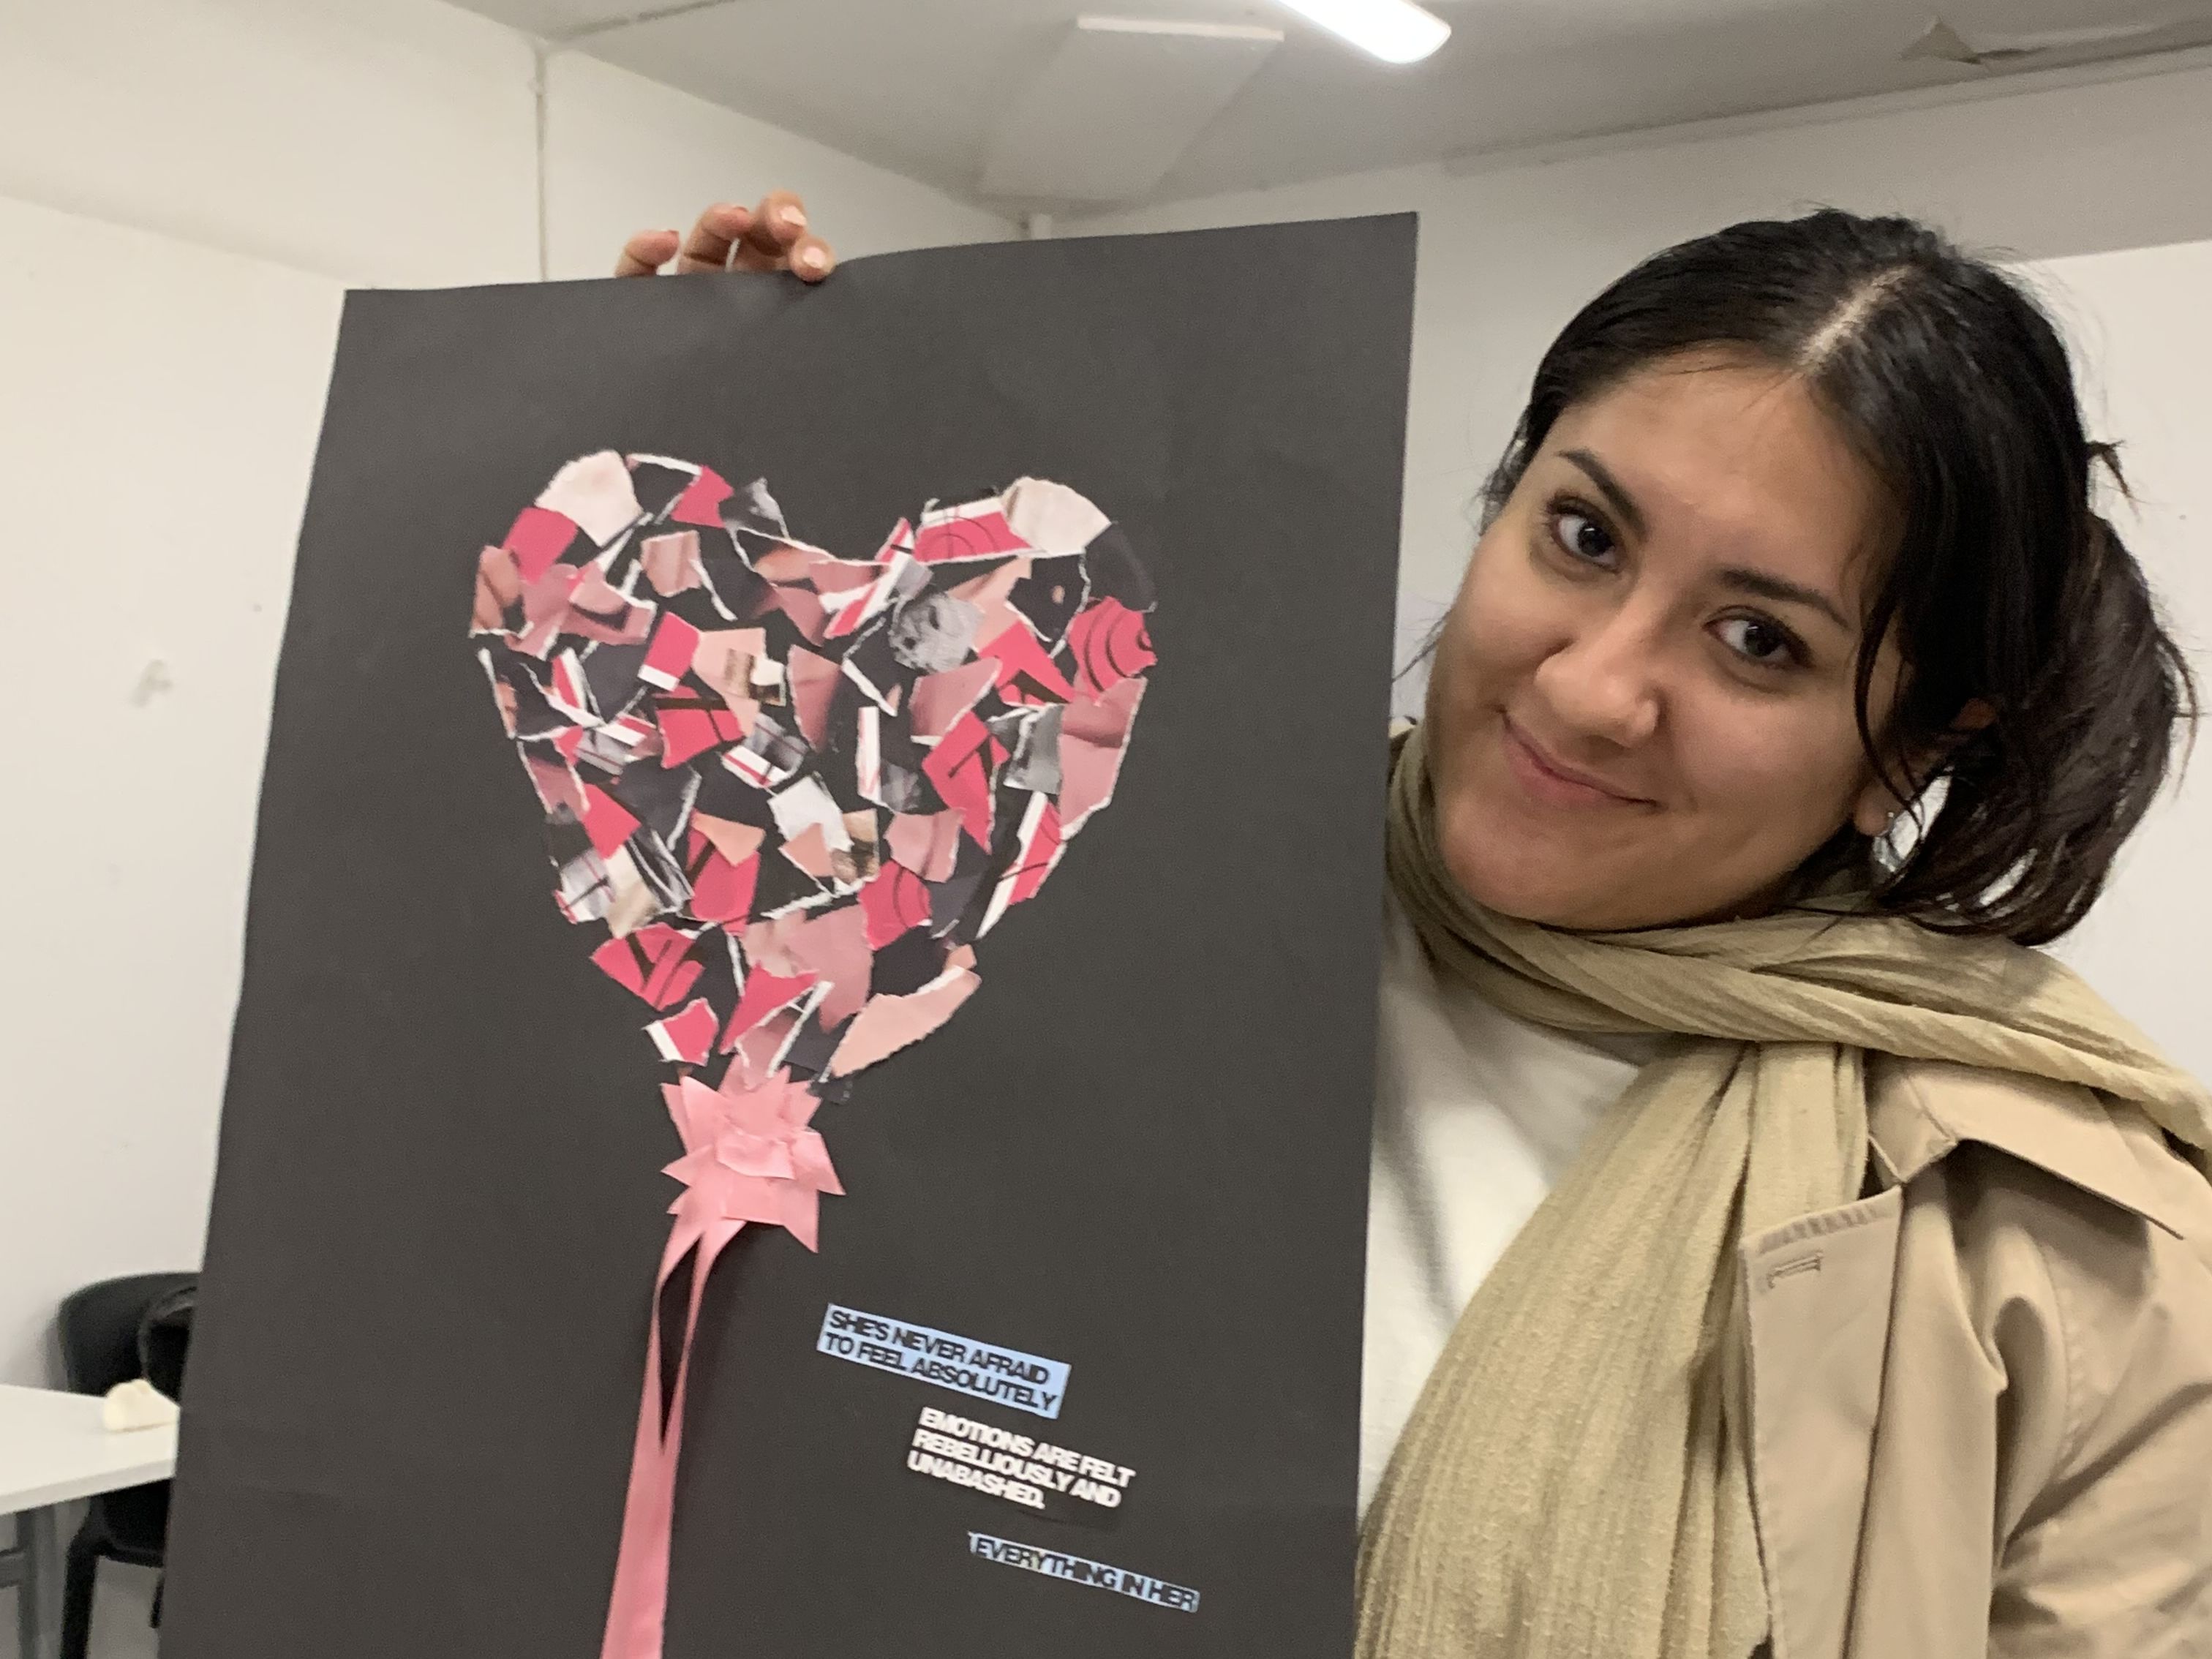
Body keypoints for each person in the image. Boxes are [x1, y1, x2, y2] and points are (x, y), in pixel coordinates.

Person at [616, 195, 2212, 1656]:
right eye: (1582, 536)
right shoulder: (1079, 875)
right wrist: (704, 404)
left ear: (1918, 746)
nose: (1591, 688)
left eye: (1757, 641)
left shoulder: (2072, 1266)